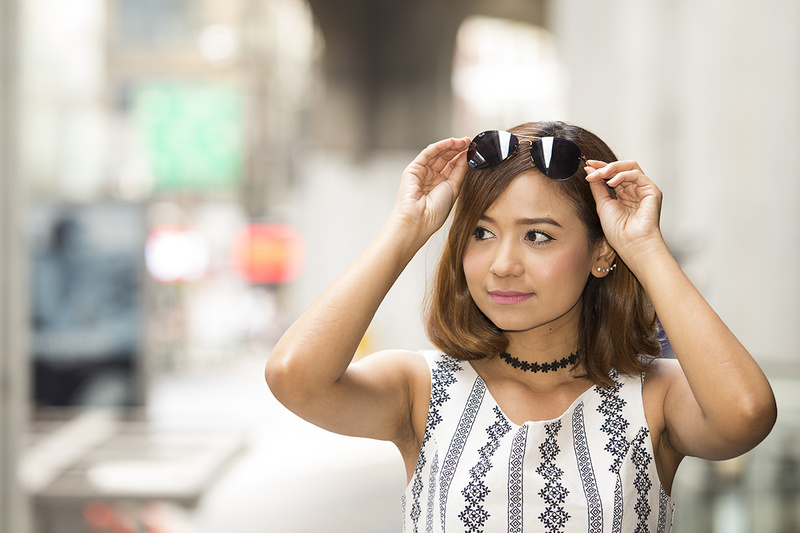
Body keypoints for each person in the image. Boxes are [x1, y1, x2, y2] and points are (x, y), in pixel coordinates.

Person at [265, 121, 777, 532]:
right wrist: (408, 227)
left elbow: (746, 414)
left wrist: (644, 248)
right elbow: (295, 376)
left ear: (602, 252)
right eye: (482, 233)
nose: (502, 264)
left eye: (537, 236)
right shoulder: (423, 390)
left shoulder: (655, 398)